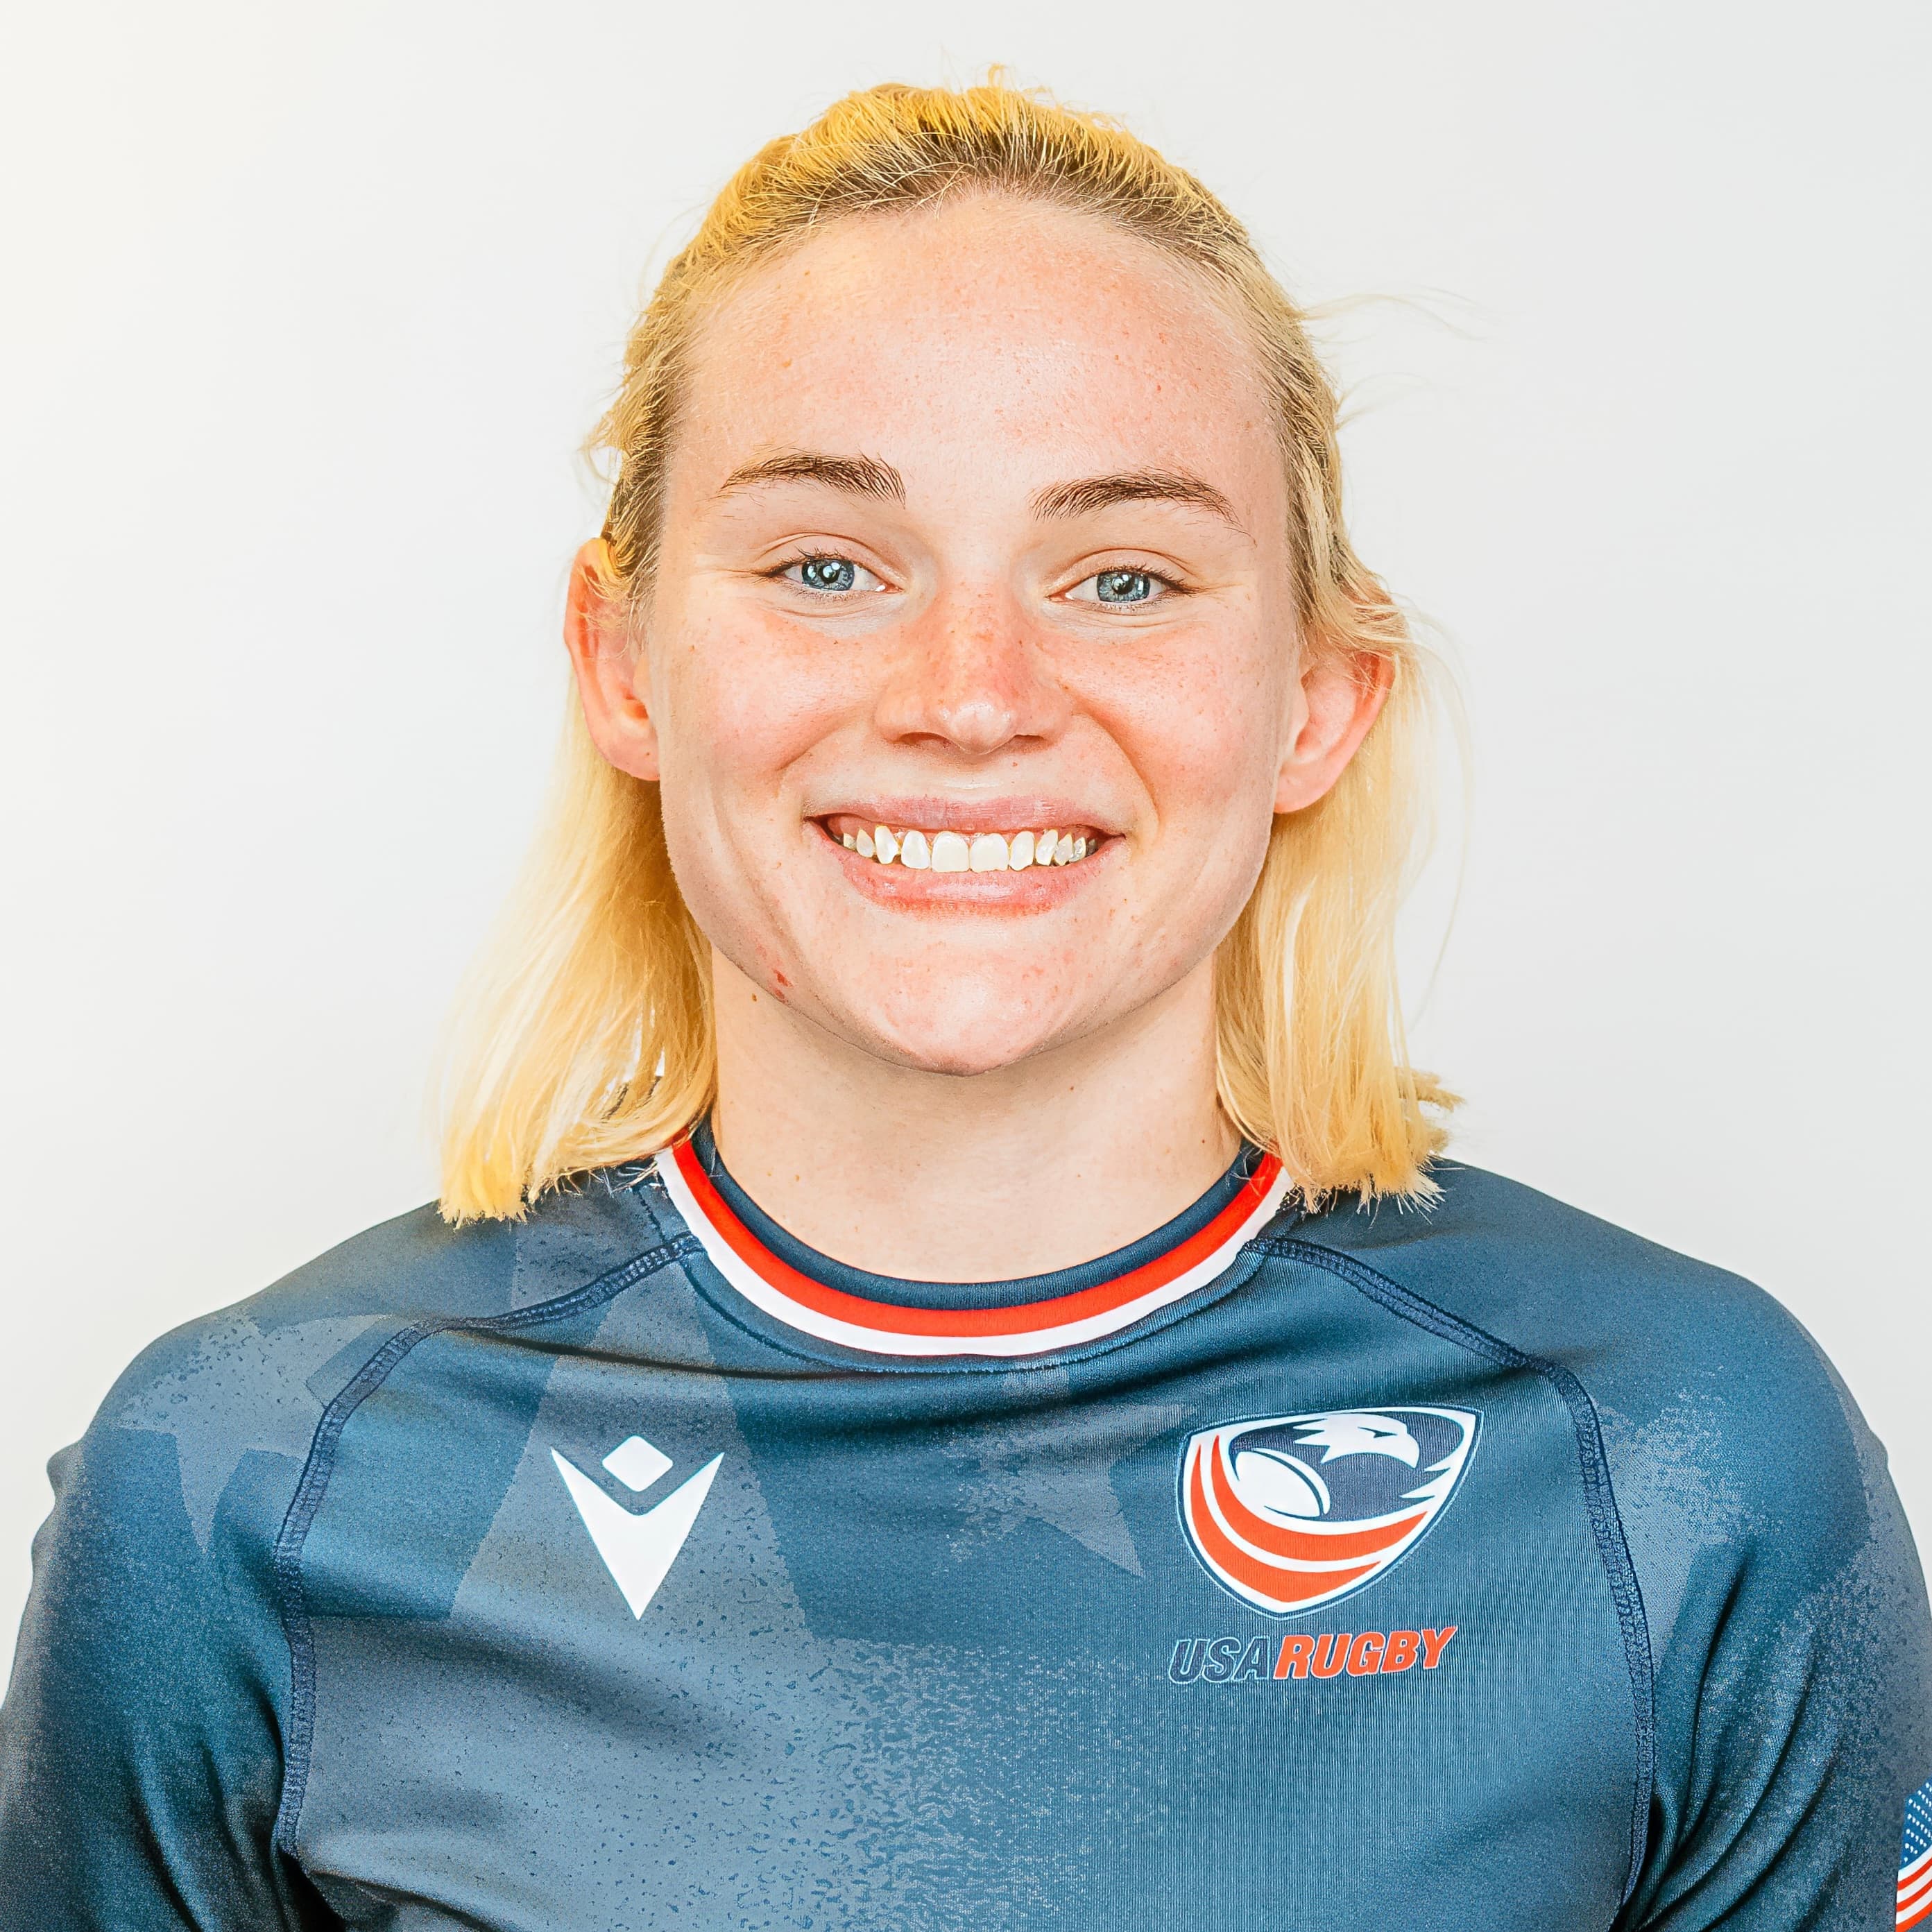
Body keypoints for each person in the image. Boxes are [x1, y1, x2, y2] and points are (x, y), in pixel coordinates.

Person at [1, 78, 1925, 1932]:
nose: (974, 694)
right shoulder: (253, 1480)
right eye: (829, 565)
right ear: (626, 663)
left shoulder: (1674, 1457)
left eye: (1123, 576)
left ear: (1319, 699)